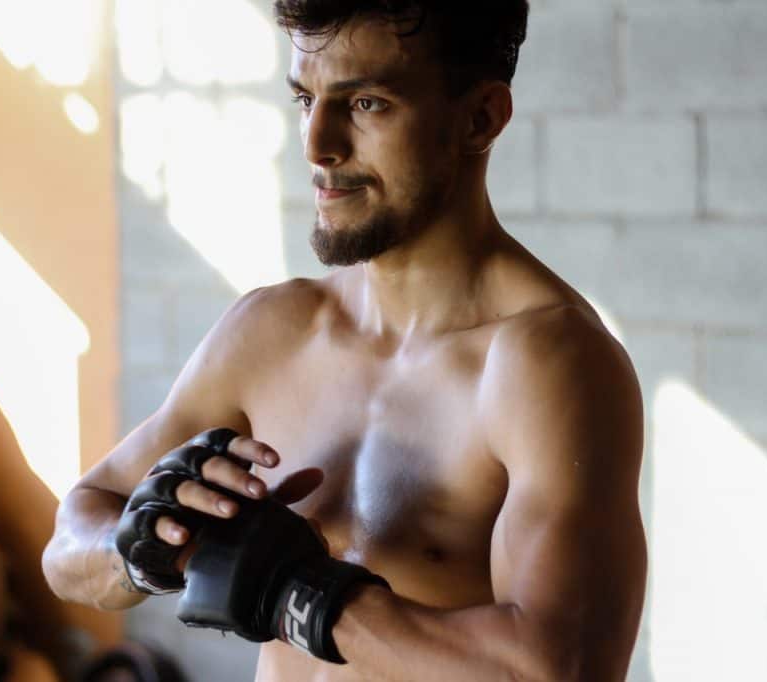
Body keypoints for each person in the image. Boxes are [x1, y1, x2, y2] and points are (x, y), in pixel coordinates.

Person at [43, 1, 648, 680]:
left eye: (366, 103)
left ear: (480, 117)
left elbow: (562, 669)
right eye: (306, 97)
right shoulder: (272, 331)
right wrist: (140, 549)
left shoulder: (546, 364)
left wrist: (306, 598)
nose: (316, 144)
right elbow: (68, 543)